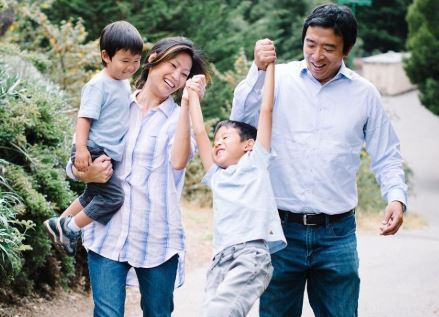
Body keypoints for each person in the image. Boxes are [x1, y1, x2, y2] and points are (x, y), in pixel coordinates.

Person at [231, 4, 408, 317]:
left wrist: (396, 198)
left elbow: (386, 153)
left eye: (328, 48)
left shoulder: (364, 94)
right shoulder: (278, 78)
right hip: (279, 232)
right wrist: (258, 70)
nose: (317, 55)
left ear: (347, 49)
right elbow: (240, 124)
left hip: (337, 235)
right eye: (310, 44)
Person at [65, 36, 209, 316]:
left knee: (157, 313)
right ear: (153, 58)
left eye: (185, 74)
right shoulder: (114, 102)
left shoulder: (179, 119)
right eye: (174, 65)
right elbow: (73, 165)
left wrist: (190, 104)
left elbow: (179, 161)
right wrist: (88, 174)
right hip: (108, 233)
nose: (177, 77)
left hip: (158, 238)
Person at [187, 62, 286, 316]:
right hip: (220, 259)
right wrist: (190, 96)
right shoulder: (216, 176)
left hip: (251, 256)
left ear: (248, 145)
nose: (217, 143)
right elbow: (199, 131)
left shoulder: (256, 163)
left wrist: (270, 67)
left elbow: (266, 109)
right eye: (216, 139)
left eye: (226, 138)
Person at [43, 20, 143, 256]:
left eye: (136, 61)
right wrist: (81, 149)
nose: (131, 67)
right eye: (125, 61)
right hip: (92, 148)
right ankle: (71, 227)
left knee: (93, 195)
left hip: (103, 150)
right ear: (106, 56)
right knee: (113, 197)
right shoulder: (98, 85)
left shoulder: (123, 82)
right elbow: (84, 119)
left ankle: (60, 221)